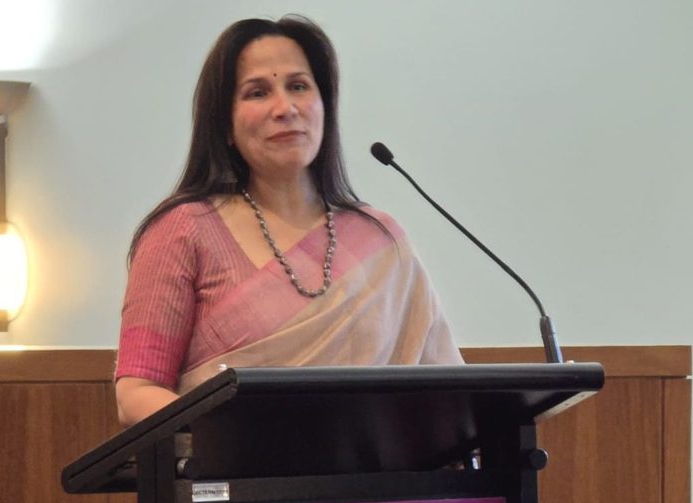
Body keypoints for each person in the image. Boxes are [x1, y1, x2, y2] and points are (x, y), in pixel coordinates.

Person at [115, 15, 461, 426]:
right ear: (225, 124)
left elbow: (449, 390)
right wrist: (234, 440)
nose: (285, 108)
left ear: (324, 106)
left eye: (298, 86)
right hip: (237, 478)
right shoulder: (183, 230)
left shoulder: (382, 240)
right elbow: (136, 393)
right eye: (258, 92)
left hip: (378, 484)